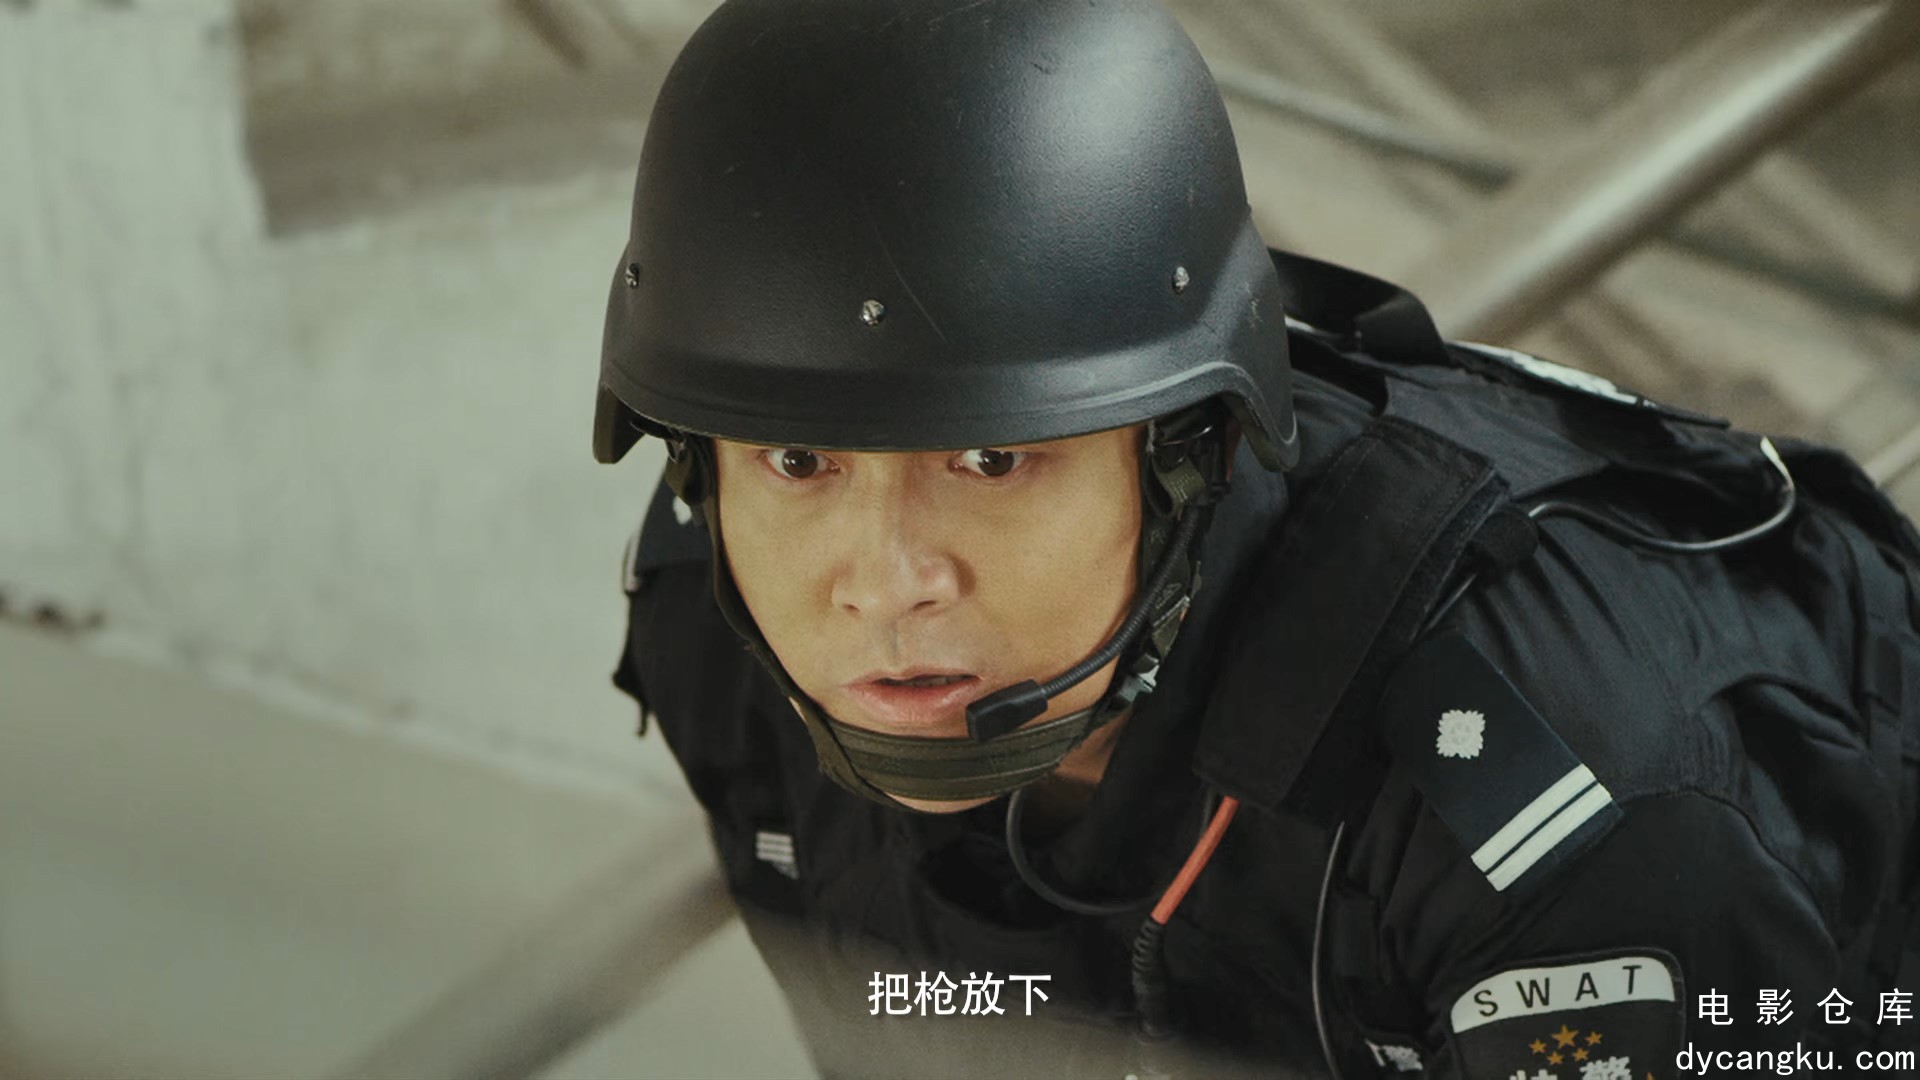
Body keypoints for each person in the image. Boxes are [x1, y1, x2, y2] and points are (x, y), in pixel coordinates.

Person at [589, 0, 1920, 1075]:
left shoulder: (1553, 822)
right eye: (799, 461)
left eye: (994, 460)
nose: (885, 584)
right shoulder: (718, 618)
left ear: (1193, 448)